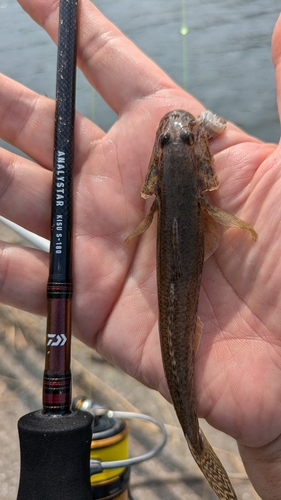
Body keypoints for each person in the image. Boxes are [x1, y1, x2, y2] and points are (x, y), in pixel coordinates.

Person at [0, 0, 280, 497]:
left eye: (185, 137)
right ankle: (195, 443)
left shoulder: (159, 187)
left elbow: (153, 200)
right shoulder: (200, 178)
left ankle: (197, 442)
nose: (180, 135)